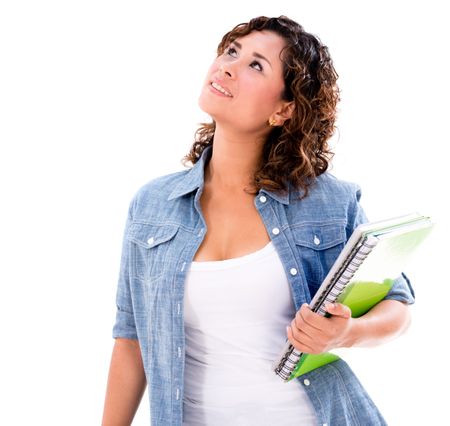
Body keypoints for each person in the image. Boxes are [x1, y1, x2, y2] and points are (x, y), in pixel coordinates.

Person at [102, 15, 415, 426]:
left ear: (284, 109)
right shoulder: (153, 205)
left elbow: (399, 305)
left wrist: (346, 333)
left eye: (256, 65)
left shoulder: (328, 202)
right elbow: (131, 341)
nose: (228, 66)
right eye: (232, 51)